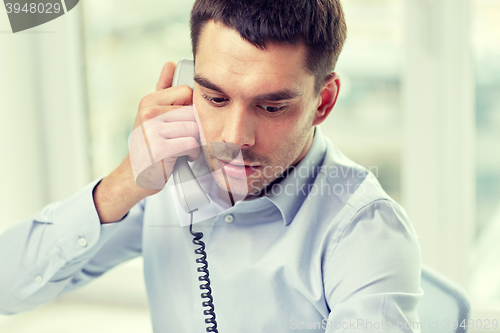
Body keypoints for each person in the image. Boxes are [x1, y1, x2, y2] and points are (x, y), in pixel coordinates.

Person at [0, 0, 423, 332]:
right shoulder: (168, 179)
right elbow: (7, 288)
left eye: (272, 106)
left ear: (323, 102)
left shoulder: (366, 232)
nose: (233, 137)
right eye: (215, 99)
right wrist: (124, 183)